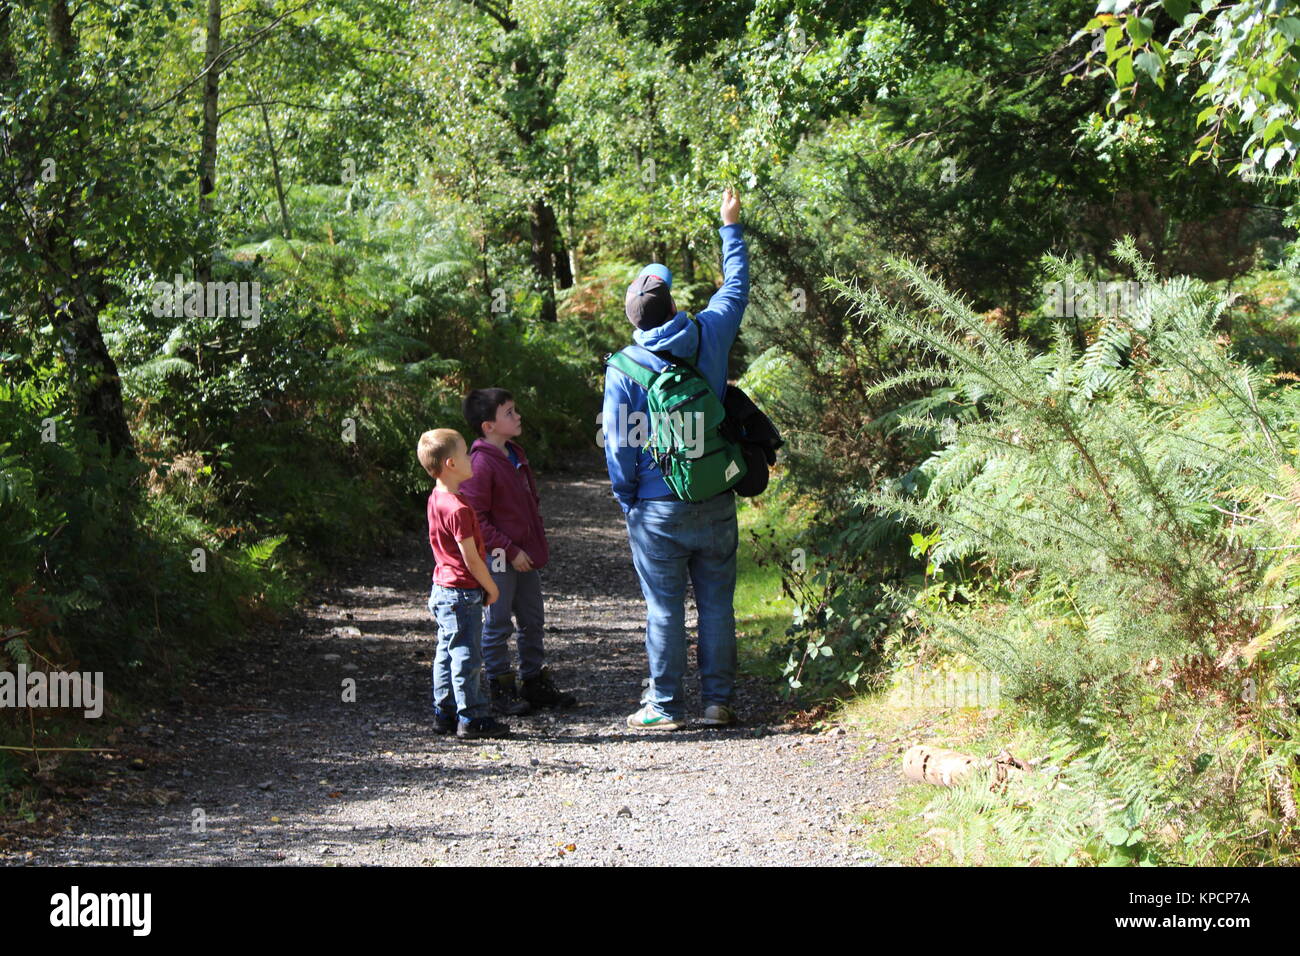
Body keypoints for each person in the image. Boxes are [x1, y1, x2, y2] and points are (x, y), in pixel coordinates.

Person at [603, 188, 748, 731]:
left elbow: (618, 443)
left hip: (656, 509)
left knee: (663, 610)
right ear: (672, 305)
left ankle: (663, 706)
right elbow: (736, 286)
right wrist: (729, 226)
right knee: (716, 604)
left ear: (635, 320)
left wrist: (629, 499)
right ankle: (718, 702)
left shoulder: (624, 368)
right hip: (713, 493)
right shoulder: (709, 332)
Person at [459, 388, 576, 715]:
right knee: (497, 622)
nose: (517, 416)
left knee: (532, 618)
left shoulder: (514, 452)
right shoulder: (481, 463)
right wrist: (509, 549)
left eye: (515, 410)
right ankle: (500, 685)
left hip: (524, 554)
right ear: (488, 426)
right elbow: (475, 519)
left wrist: (532, 544)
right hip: (498, 557)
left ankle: (534, 682)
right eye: (509, 412)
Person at [416, 427, 511, 740]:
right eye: (465, 454)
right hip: (461, 592)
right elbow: (471, 559)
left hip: (442, 589)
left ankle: (444, 712)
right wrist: (492, 587)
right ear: (451, 464)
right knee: (467, 656)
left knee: (446, 651)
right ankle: (472, 716)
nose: (471, 458)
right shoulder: (458, 509)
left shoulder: (437, 498)